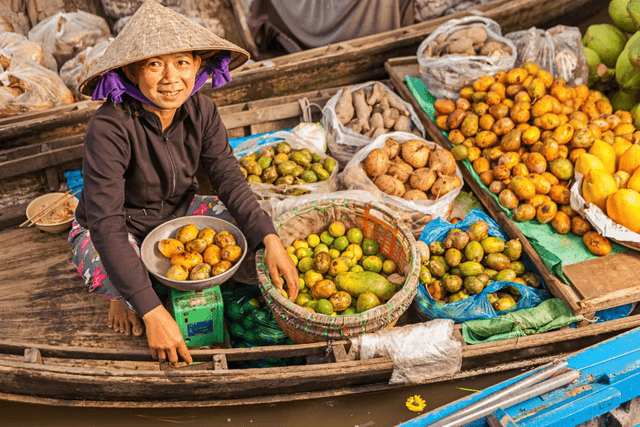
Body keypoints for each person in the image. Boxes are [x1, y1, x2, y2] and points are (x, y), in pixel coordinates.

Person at [69, 0, 299, 367]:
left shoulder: (202, 111)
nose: (170, 78)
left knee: (250, 229)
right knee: (114, 269)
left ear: (198, 66)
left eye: (182, 62)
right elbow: (107, 224)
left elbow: (228, 177)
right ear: (131, 71)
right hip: (118, 226)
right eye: (154, 64)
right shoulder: (109, 127)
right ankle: (123, 296)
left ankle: (141, 289)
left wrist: (270, 239)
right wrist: (152, 312)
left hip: (176, 215)